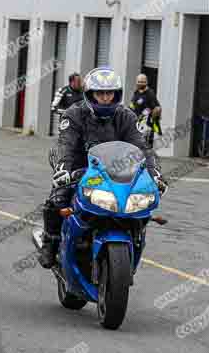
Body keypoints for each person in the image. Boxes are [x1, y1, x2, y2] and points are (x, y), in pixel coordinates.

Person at [38, 67, 168, 269]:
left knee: (139, 203)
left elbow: (142, 148)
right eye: (100, 93)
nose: (106, 98)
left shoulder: (126, 116)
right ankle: (50, 242)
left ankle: (134, 239)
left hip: (114, 168)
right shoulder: (74, 114)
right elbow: (66, 144)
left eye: (110, 93)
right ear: (90, 94)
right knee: (58, 199)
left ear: (117, 94)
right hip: (79, 167)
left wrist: (155, 174)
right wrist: (63, 169)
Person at [130, 73, 162, 148]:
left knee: (145, 146)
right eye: (139, 82)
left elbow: (157, 108)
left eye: (142, 82)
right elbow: (132, 105)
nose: (140, 83)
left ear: (146, 82)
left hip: (145, 124)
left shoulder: (150, 94)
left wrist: (150, 121)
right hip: (136, 122)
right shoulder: (136, 92)